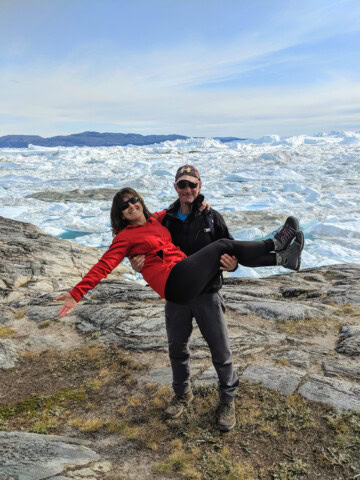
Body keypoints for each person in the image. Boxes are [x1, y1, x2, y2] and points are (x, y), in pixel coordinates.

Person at [57, 183, 304, 427]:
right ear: (120, 213)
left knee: (220, 347)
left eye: (134, 200)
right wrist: (76, 294)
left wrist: (230, 260)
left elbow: (232, 252)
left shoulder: (172, 218)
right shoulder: (127, 237)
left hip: (204, 290)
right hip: (176, 286)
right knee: (178, 349)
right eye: (125, 205)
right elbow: (104, 265)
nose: (131, 206)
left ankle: (283, 257)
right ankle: (276, 246)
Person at [128, 165, 301, 431]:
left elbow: (235, 252)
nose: (188, 190)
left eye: (192, 185)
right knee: (177, 350)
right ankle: (182, 394)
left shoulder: (213, 218)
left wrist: (231, 266)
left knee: (221, 352)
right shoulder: (164, 220)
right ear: (175, 187)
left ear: (200, 186)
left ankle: (228, 401)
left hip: (207, 295)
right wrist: (137, 264)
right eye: (182, 185)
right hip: (177, 298)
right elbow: (145, 248)